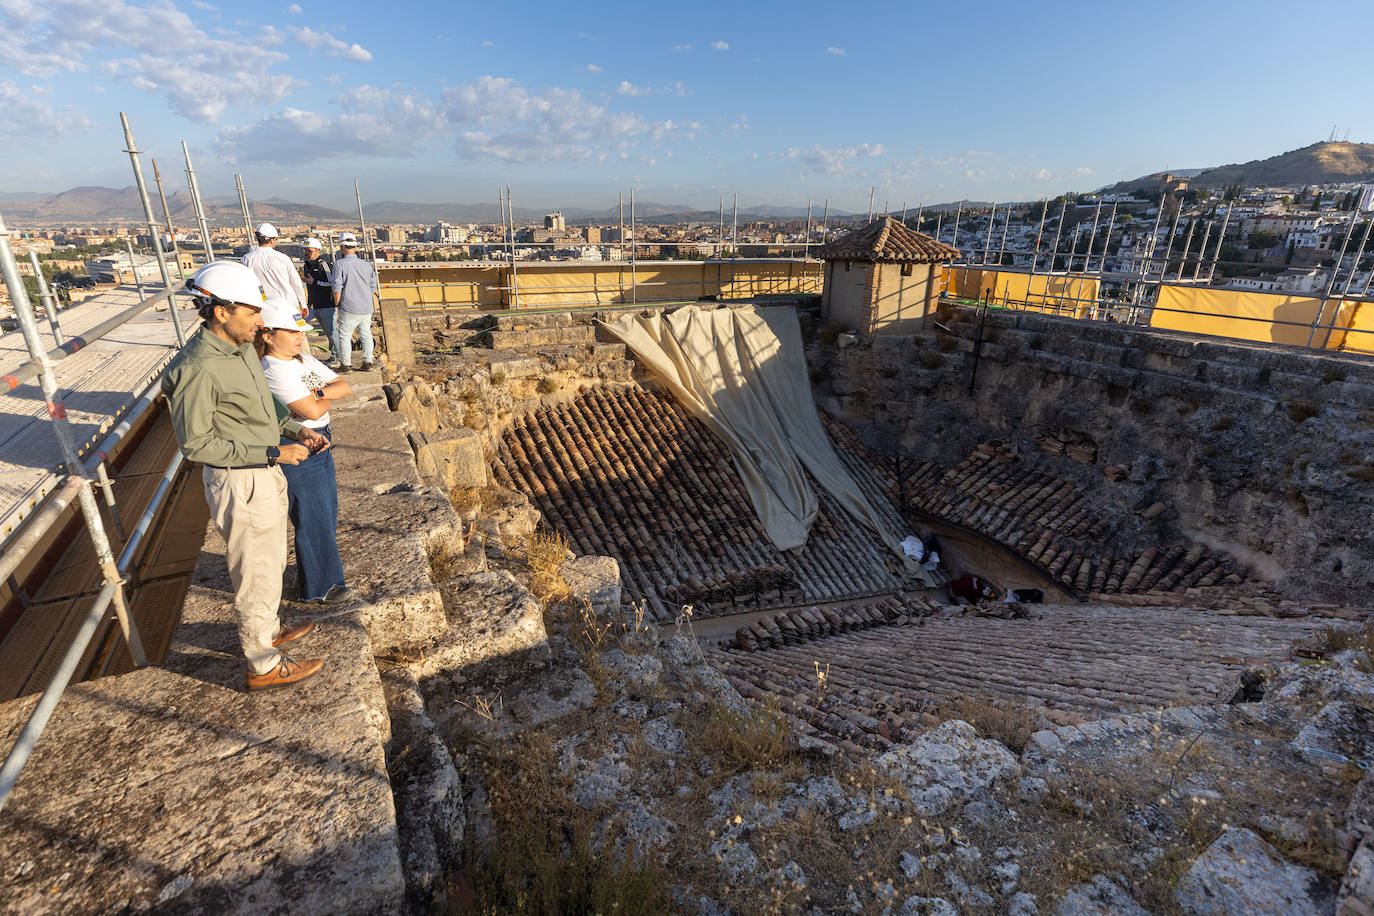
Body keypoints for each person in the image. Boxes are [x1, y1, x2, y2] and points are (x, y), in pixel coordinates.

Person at [162, 261, 328, 691]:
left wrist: (296, 429)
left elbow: (263, 406)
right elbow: (195, 444)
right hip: (240, 479)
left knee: (270, 561)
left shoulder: (239, 349)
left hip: (264, 469)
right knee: (253, 570)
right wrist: (273, 450)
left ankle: (269, 630)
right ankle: (263, 664)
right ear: (220, 311)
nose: (261, 321)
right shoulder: (197, 367)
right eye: (253, 312)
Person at [255, 297, 353, 606]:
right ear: (268, 335)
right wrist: (321, 398)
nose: (301, 337)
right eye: (292, 331)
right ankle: (320, 587)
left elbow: (343, 385)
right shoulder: (272, 368)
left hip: (320, 439)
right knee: (312, 516)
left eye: (301, 331)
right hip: (297, 444)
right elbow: (309, 411)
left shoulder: (301, 361)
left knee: (327, 512)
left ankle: (320, 572)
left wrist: (319, 393)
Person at [329, 232, 378, 371]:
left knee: (344, 336)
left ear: (341, 247)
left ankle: (346, 365)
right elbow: (372, 286)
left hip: (349, 306)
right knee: (366, 334)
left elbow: (337, 286)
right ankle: (368, 362)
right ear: (356, 247)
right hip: (366, 306)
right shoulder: (366, 265)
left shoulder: (339, 264)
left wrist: (337, 303)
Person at [243, 222, 307, 319]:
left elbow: (248, 283)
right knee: (296, 332)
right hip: (289, 306)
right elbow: (296, 283)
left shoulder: (247, 259)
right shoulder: (283, 258)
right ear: (272, 240)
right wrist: (303, 304)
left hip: (264, 308)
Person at [300, 237, 336, 362]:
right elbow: (310, 287)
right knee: (299, 327)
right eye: (304, 250)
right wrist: (308, 304)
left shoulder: (324, 265)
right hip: (313, 306)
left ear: (318, 251)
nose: (306, 253)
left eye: (309, 250)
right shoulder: (306, 266)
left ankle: (338, 357)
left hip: (327, 305)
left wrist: (314, 282)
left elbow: (332, 284)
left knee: (331, 333)